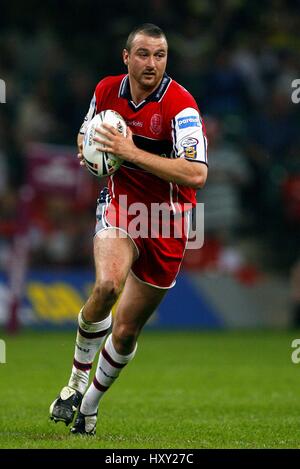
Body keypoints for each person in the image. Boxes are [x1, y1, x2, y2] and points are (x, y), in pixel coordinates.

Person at [49, 23, 208, 435]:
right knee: (107, 287)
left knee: (125, 329)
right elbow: (85, 133)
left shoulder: (181, 106)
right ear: (127, 58)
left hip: (168, 221)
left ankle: (88, 406)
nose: (151, 63)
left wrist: (128, 151)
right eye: (143, 54)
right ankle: (75, 383)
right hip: (121, 206)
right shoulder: (105, 91)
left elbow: (195, 174)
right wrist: (90, 150)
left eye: (159, 55)